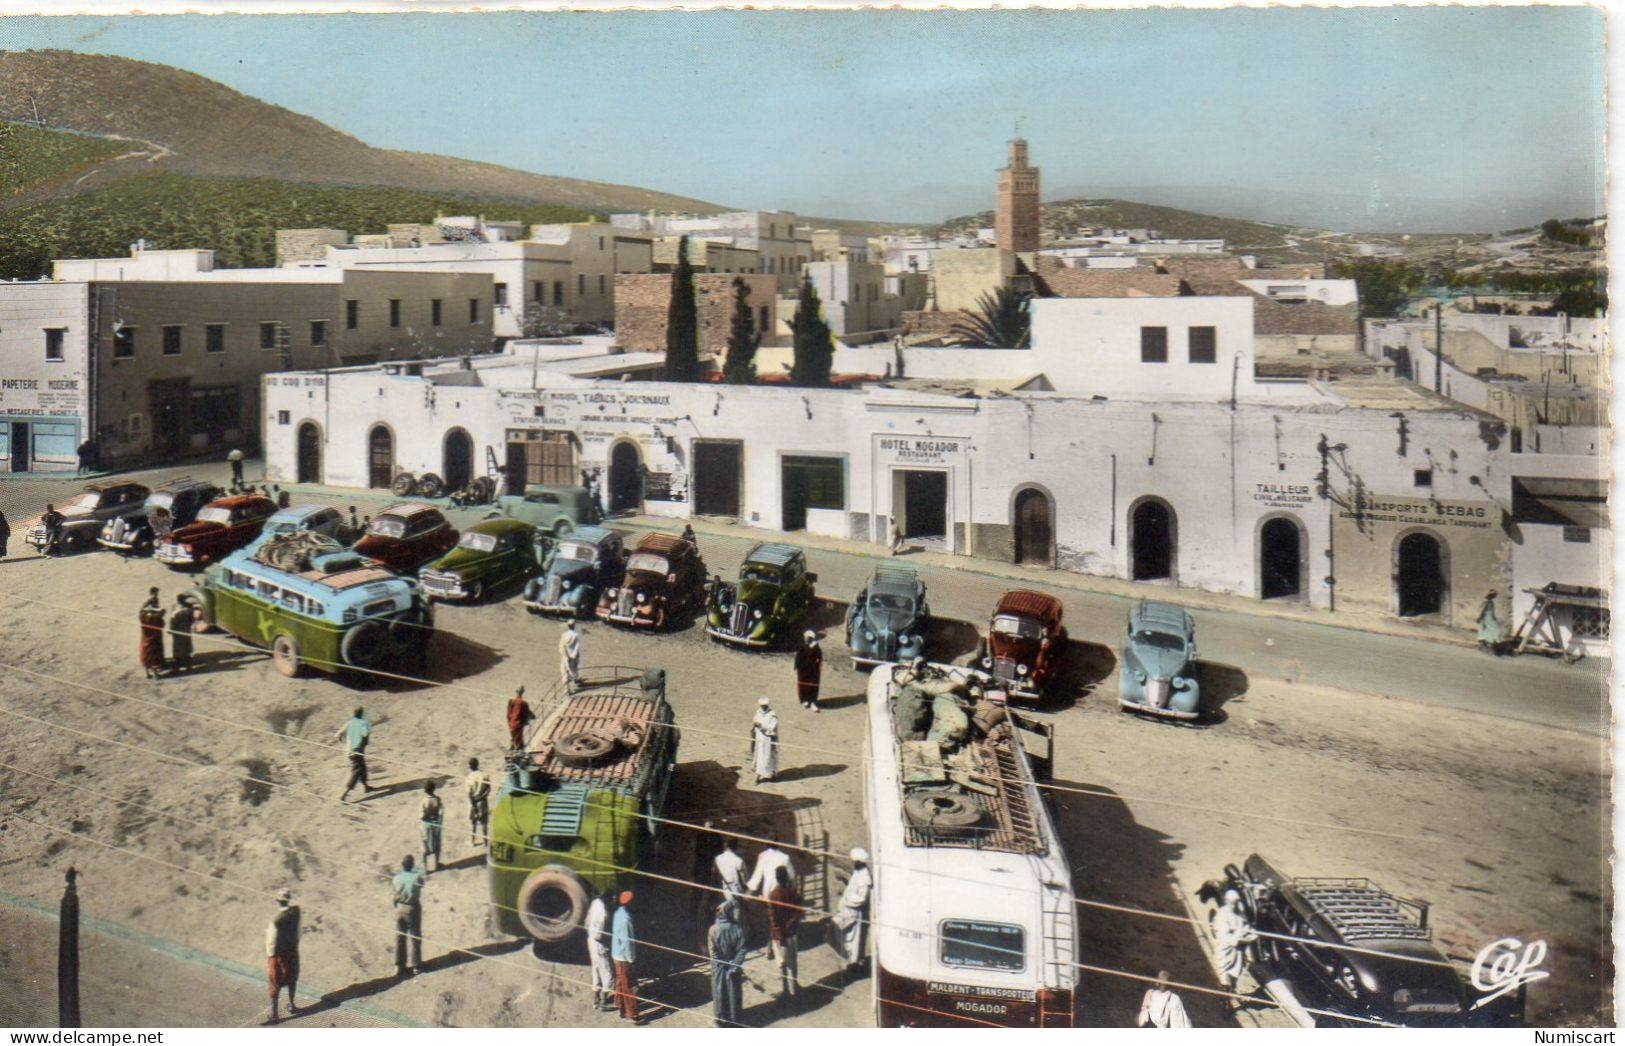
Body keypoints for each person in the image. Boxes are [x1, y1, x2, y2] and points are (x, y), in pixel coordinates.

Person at [707, 899, 749, 1027]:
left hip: (718, 967)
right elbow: (742, 950)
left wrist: (722, 962)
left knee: (719, 991)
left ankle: (721, 1019)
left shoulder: (713, 930)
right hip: (733, 966)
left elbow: (712, 952)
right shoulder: (738, 929)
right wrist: (734, 964)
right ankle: (735, 1018)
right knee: (733, 991)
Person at [832, 848, 871, 981]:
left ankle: (852, 963)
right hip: (847, 909)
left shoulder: (864, 877)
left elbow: (861, 898)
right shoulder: (859, 872)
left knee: (849, 936)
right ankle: (850, 961)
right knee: (846, 935)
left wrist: (847, 900)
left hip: (852, 910)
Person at [1213, 889, 1257, 1003]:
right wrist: (1241, 938)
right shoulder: (1222, 914)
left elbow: (1246, 926)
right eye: (1233, 902)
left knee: (1236, 972)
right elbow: (1224, 935)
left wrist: (1252, 934)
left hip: (1238, 950)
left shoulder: (1239, 913)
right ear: (1227, 901)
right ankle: (1226, 1002)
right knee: (1225, 971)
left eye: (1237, 902)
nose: (1235, 905)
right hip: (1226, 948)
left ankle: (1232, 990)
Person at [265, 888, 301, 1023]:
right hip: (292, 950)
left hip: (278, 955)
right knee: (292, 977)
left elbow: (271, 941)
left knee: (274, 981)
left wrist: (270, 957)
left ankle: (274, 1014)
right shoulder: (296, 912)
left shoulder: (275, 921)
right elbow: (298, 933)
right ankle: (292, 1004)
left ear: (277, 901)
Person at [766, 866, 803, 999]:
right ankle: (795, 985)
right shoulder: (793, 892)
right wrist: (792, 923)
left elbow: (772, 918)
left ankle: (785, 989)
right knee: (793, 960)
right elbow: (798, 910)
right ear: (786, 877)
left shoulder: (773, 895)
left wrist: (778, 934)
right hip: (791, 932)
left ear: (776, 878)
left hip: (779, 935)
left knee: (781, 962)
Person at [392, 855, 425, 977]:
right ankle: (416, 965)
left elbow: (394, 894)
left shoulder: (396, 878)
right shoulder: (416, 877)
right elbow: (422, 882)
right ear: (412, 865)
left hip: (400, 908)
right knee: (415, 937)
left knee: (400, 937)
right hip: (412, 908)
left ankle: (399, 965)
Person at [585, 886, 616, 1011]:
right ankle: (604, 1001)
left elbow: (587, 922)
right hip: (599, 943)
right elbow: (599, 933)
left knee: (596, 970)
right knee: (608, 973)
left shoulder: (594, 903)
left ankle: (596, 998)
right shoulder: (603, 911)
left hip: (590, 941)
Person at [336, 708, 376, 802]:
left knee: (362, 768)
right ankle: (343, 795)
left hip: (349, 751)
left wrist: (346, 745)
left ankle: (366, 787)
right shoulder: (363, 724)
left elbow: (338, 735)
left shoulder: (349, 723)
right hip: (357, 752)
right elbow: (366, 738)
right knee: (357, 771)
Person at [611, 890, 639, 1022]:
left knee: (621, 982)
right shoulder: (626, 919)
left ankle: (619, 1006)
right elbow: (627, 942)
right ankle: (631, 1013)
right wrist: (631, 959)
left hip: (615, 954)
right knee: (628, 986)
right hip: (623, 957)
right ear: (629, 903)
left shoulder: (618, 913)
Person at [749, 697, 779, 784]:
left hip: (768, 740)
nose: (763, 707)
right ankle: (758, 776)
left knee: (768, 757)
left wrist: (761, 726)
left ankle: (771, 774)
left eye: (765, 706)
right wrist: (755, 724)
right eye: (762, 706)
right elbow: (755, 721)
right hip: (759, 739)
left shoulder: (772, 715)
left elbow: (772, 728)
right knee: (759, 756)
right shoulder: (758, 713)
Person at [138, 589, 165, 680]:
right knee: (154, 655)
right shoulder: (155, 617)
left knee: (146, 655)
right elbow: (162, 620)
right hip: (154, 637)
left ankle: (147, 674)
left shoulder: (143, 617)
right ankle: (156, 674)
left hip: (145, 638)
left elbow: (141, 612)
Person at [794, 630, 823, 712]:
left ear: (811, 639)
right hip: (803, 669)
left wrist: (819, 661)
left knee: (813, 685)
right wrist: (796, 667)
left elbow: (819, 657)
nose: (805, 639)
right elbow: (798, 657)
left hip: (813, 670)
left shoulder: (816, 646)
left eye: (807, 638)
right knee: (803, 685)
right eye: (805, 638)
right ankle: (804, 700)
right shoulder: (802, 646)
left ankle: (812, 701)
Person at [167, 596, 197, 674]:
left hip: (178, 630)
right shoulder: (189, 608)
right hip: (185, 629)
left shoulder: (177, 609)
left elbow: (172, 620)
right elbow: (192, 619)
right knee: (186, 647)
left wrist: (170, 629)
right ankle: (187, 665)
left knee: (178, 648)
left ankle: (178, 666)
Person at [465, 757, 491, 847]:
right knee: (484, 823)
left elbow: (469, 793)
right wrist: (481, 798)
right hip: (483, 802)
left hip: (473, 802)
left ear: (470, 766)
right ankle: (485, 842)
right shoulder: (485, 775)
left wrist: (474, 805)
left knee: (473, 823)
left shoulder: (469, 777)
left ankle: (472, 841)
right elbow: (488, 790)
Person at [419, 782, 443, 873]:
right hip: (436, 824)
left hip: (426, 825)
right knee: (437, 844)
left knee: (424, 846)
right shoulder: (438, 799)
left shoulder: (423, 801)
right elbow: (441, 813)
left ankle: (425, 869)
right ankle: (436, 865)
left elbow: (421, 816)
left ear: (425, 790)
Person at [506, 686, 534, 751]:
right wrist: (532, 716)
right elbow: (527, 712)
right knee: (519, 740)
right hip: (518, 723)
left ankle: (512, 748)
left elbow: (508, 713)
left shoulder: (511, 701)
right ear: (522, 693)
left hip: (511, 723)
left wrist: (509, 720)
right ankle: (517, 750)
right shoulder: (523, 703)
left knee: (514, 737)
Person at [559, 620, 582, 692]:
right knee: (573, 669)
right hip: (573, 656)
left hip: (566, 655)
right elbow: (577, 647)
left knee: (564, 670)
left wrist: (564, 654)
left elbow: (561, 645)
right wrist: (573, 656)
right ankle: (574, 684)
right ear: (574, 626)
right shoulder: (576, 635)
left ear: (568, 626)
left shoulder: (564, 634)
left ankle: (566, 688)